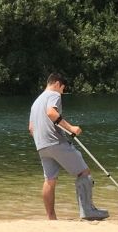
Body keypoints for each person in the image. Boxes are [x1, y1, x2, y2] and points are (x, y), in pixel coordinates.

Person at [28, 73, 108, 221]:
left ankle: (51, 218)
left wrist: (44, 138)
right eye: (63, 89)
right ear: (57, 84)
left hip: (41, 146)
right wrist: (71, 128)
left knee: (49, 180)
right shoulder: (53, 95)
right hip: (56, 142)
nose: (62, 93)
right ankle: (88, 211)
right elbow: (51, 113)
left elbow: (31, 129)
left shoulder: (35, 103)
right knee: (84, 172)